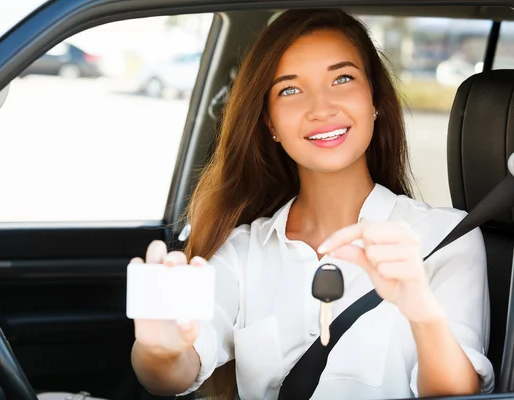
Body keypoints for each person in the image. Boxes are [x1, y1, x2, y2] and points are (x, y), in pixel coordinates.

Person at [130, 8, 494, 400]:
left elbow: (459, 394)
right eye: (290, 89)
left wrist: (421, 311)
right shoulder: (242, 251)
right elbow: (175, 371)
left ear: (375, 100)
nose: (321, 108)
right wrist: (159, 350)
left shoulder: (448, 238)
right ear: (269, 123)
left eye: (342, 78)